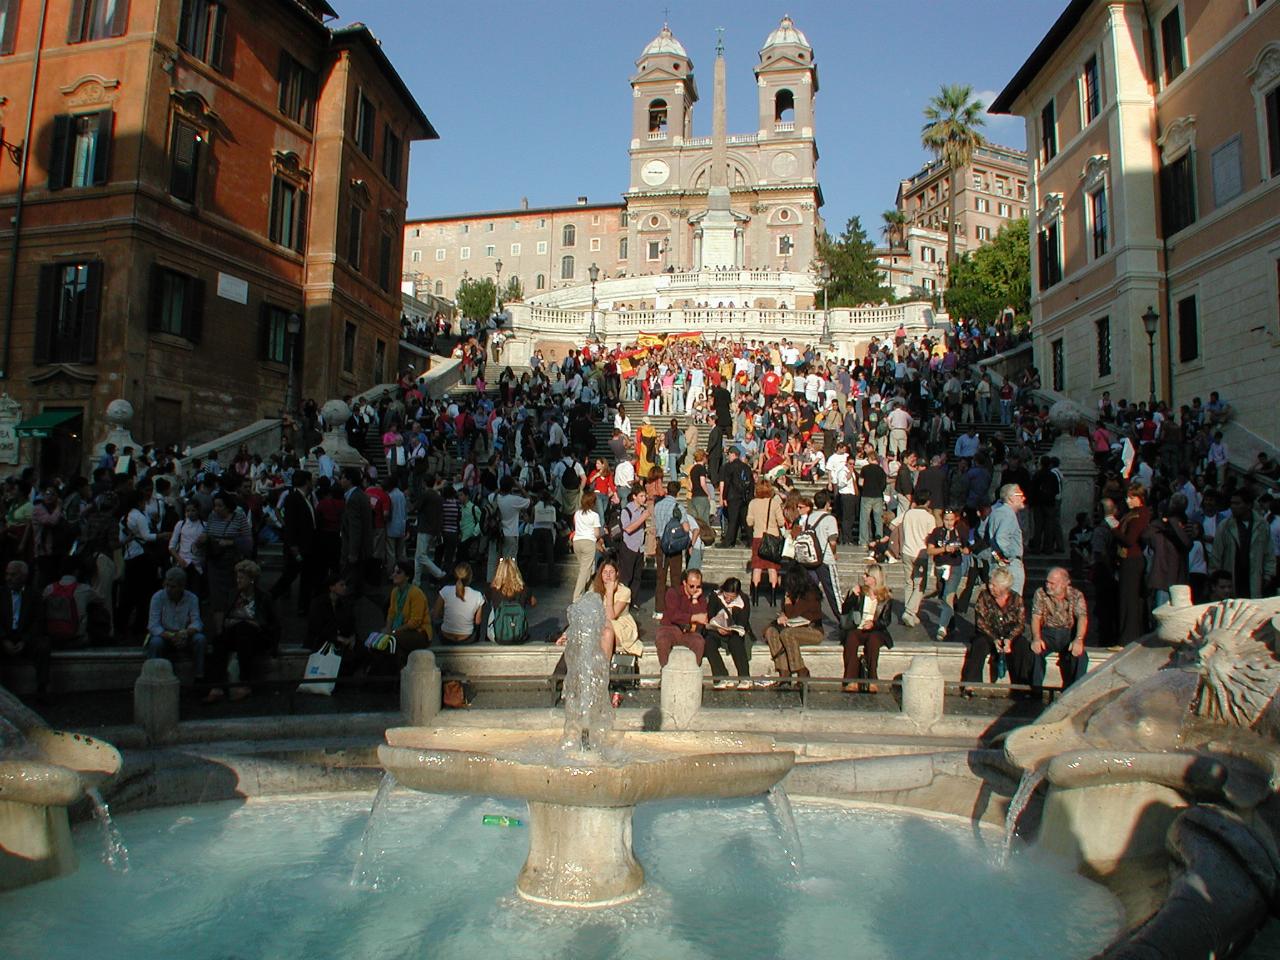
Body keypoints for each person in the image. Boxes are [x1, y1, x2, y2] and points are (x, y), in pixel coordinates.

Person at [204, 560, 279, 703]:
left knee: (244, 631)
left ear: (251, 580)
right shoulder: (233, 594)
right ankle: (217, 686)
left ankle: (245, 684)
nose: (238, 580)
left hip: (257, 636)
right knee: (219, 641)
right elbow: (227, 617)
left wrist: (248, 622)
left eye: (242, 578)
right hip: (236, 632)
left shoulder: (264, 597)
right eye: (237, 577)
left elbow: (270, 623)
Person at [1019, 566, 1089, 697]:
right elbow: (1035, 617)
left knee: (1081, 656)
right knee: (1035, 652)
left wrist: (1079, 639)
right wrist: (1036, 638)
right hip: (1048, 633)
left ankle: (1076, 691)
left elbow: (1082, 617)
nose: (1048, 585)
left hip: (1068, 633)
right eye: (1047, 582)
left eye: (1052, 583)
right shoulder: (1040, 593)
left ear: (1064, 584)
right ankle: (1036, 690)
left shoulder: (1076, 595)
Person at [963, 566, 1025, 697]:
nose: (990, 587)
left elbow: (1020, 623)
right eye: (990, 583)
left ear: (1004, 587)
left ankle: (1021, 685)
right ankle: (970, 684)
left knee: (1022, 645)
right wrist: (994, 638)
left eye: (994, 585)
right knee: (980, 644)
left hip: (1009, 634)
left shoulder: (1016, 598)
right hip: (988, 633)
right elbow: (980, 621)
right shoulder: (984, 596)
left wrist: (1009, 639)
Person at [761, 568, 824, 685]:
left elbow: (792, 613)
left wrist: (787, 602)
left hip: (812, 630)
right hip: (795, 626)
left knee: (787, 634)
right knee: (771, 632)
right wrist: (782, 615)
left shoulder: (810, 594)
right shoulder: (794, 593)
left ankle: (801, 670)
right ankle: (784, 671)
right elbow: (787, 613)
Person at [1210, 490, 1276, 599]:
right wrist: (1215, 578)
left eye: (1237, 503)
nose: (1232, 506)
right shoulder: (1225, 526)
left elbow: (1269, 552)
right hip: (1231, 578)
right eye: (1231, 503)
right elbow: (1216, 555)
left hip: (1254, 577)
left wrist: (1268, 575)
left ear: (1248, 505)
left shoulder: (1262, 525)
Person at [145, 567, 206, 679]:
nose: (168, 589)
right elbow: (153, 625)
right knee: (155, 643)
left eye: (173, 587)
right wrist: (171, 636)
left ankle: (199, 676)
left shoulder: (192, 598)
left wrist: (185, 633)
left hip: (185, 635)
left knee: (200, 639)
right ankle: (152, 676)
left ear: (182, 587)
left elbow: (197, 622)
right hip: (164, 635)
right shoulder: (158, 597)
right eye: (167, 585)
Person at [840, 564, 894, 693]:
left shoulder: (886, 597)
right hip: (857, 627)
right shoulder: (860, 592)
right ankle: (850, 679)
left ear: (874, 579)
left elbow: (886, 620)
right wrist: (852, 596)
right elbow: (845, 610)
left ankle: (872, 679)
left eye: (867, 575)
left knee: (874, 642)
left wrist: (874, 624)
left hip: (875, 630)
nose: (863, 577)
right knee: (851, 638)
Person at [270, 470, 316, 616]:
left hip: (306, 545)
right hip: (298, 546)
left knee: (304, 577)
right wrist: (294, 547)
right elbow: (291, 525)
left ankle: (303, 606)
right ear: (307, 481)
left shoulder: (305, 497)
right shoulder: (293, 498)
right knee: (289, 576)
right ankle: (270, 598)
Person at [0, 561, 48, 701]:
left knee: (44, 645)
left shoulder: (34, 595)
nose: (8, 578)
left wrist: (25, 640)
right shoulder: (1, 593)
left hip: (24, 636)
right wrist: (3, 639)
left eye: (13, 575)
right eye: (7, 574)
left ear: (23, 577)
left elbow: (38, 621)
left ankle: (42, 688)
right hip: (5, 635)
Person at [1114, 483, 1152, 643]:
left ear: (1140, 498)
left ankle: (1128, 637)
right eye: (1128, 497)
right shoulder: (1132, 514)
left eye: (1132, 497)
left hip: (1132, 559)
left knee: (1129, 599)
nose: (1128, 501)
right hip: (1126, 560)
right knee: (1126, 599)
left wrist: (1114, 528)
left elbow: (1130, 540)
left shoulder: (1140, 515)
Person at [705, 576, 755, 689]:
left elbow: (742, 621)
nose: (728, 600)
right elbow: (710, 615)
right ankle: (720, 675)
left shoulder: (743, 600)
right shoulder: (715, 596)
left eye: (732, 597)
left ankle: (744, 677)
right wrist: (718, 627)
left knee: (736, 642)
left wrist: (730, 629)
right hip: (717, 629)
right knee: (709, 642)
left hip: (734, 631)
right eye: (726, 596)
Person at [896, 491, 937, 629]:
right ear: (928, 502)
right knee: (920, 585)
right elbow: (931, 536)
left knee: (909, 582)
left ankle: (910, 612)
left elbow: (892, 524)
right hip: (921, 553)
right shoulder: (929, 517)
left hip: (907, 551)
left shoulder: (908, 513)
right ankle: (909, 611)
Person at [925, 507, 966, 641]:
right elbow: (930, 551)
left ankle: (942, 627)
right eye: (946, 520)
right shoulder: (937, 532)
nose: (949, 523)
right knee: (943, 596)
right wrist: (944, 548)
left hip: (954, 566)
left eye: (951, 520)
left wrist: (962, 548)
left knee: (949, 594)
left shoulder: (960, 531)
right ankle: (951, 622)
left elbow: (967, 547)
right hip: (940, 567)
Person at [654, 568, 709, 668]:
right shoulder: (673, 593)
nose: (695, 589)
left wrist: (695, 600)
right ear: (684, 583)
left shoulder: (700, 596)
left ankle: (693, 672)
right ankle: (665, 672)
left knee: (699, 642)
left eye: (698, 586)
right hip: (670, 628)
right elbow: (674, 615)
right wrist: (694, 617)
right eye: (691, 586)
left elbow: (703, 618)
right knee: (662, 641)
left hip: (689, 632)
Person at [380, 560, 433, 661]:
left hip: (420, 633)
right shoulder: (395, 592)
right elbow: (391, 613)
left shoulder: (416, 593)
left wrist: (393, 631)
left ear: (407, 577)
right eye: (394, 572)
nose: (394, 575)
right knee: (384, 638)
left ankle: (398, 669)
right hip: (401, 631)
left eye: (398, 572)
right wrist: (387, 628)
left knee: (393, 639)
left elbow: (415, 623)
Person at [746, 479, 785, 607]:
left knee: (757, 567)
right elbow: (781, 522)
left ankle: (755, 598)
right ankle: (773, 599)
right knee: (772, 568)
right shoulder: (774, 503)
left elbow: (749, 522)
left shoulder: (753, 503)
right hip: (772, 537)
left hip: (758, 537)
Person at [984, 484, 1027, 596]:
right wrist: (1008, 555)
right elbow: (1001, 538)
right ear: (1011, 497)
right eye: (1020, 495)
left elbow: (985, 535)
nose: (1024, 498)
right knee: (1013, 603)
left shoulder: (995, 512)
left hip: (996, 563)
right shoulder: (1008, 514)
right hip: (1010, 566)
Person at [339, 467, 374, 598]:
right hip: (362, 546)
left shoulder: (354, 499)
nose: (341, 480)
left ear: (350, 480)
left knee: (349, 580)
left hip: (354, 547)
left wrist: (352, 552)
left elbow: (355, 528)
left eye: (343, 478)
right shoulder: (361, 495)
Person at [306, 574, 358, 662]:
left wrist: (352, 636)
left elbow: (350, 623)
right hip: (322, 641)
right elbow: (316, 627)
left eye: (345, 585)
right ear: (332, 587)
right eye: (341, 585)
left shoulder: (344, 604)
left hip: (340, 641)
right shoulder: (318, 604)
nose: (345, 588)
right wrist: (337, 637)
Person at [487, 557, 537, 644]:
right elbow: (534, 603)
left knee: (493, 609)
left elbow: (485, 601)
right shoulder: (524, 589)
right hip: (519, 635)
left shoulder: (493, 589)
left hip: (498, 636)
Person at [434, 562, 486, 644]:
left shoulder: (445, 590)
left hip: (446, 636)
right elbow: (478, 621)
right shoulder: (478, 595)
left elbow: (435, 614)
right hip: (467, 637)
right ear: (470, 577)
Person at [570, 489, 604, 601]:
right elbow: (597, 533)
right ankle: (577, 596)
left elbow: (576, 527)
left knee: (586, 568)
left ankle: (591, 590)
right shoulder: (594, 515)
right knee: (585, 570)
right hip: (588, 542)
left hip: (577, 542)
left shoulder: (577, 513)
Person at [717, 447, 754, 549]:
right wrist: (750, 497)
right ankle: (751, 541)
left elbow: (727, 483)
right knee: (745, 520)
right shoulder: (746, 467)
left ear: (733, 454)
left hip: (733, 496)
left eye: (729, 454)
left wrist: (724, 497)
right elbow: (751, 483)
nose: (728, 456)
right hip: (745, 497)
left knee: (732, 520)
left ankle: (729, 542)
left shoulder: (729, 467)